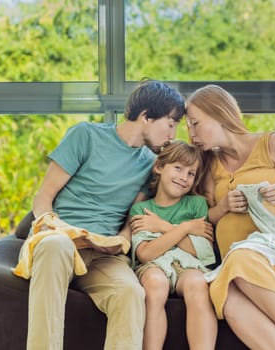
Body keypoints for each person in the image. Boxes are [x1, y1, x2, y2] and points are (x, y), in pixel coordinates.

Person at [18, 79, 185, 350]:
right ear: (146, 117)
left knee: (131, 293)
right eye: (171, 123)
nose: (173, 133)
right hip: (61, 240)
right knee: (56, 244)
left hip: (104, 254)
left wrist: (122, 239)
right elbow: (44, 196)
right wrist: (51, 225)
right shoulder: (85, 135)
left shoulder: (150, 163)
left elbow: (135, 214)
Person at [185, 84, 275, 350]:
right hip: (241, 263)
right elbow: (207, 220)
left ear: (218, 114)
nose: (191, 134)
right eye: (188, 126)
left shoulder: (270, 143)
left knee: (240, 259)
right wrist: (224, 206)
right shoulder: (207, 165)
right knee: (225, 294)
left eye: (195, 123)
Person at [129, 141, 217, 350]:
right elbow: (147, 253)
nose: (183, 178)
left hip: (189, 266)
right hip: (154, 267)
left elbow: (202, 253)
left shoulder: (197, 205)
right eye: (178, 168)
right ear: (159, 167)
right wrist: (186, 229)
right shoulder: (141, 210)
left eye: (191, 173)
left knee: (197, 283)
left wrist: (161, 227)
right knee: (155, 283)